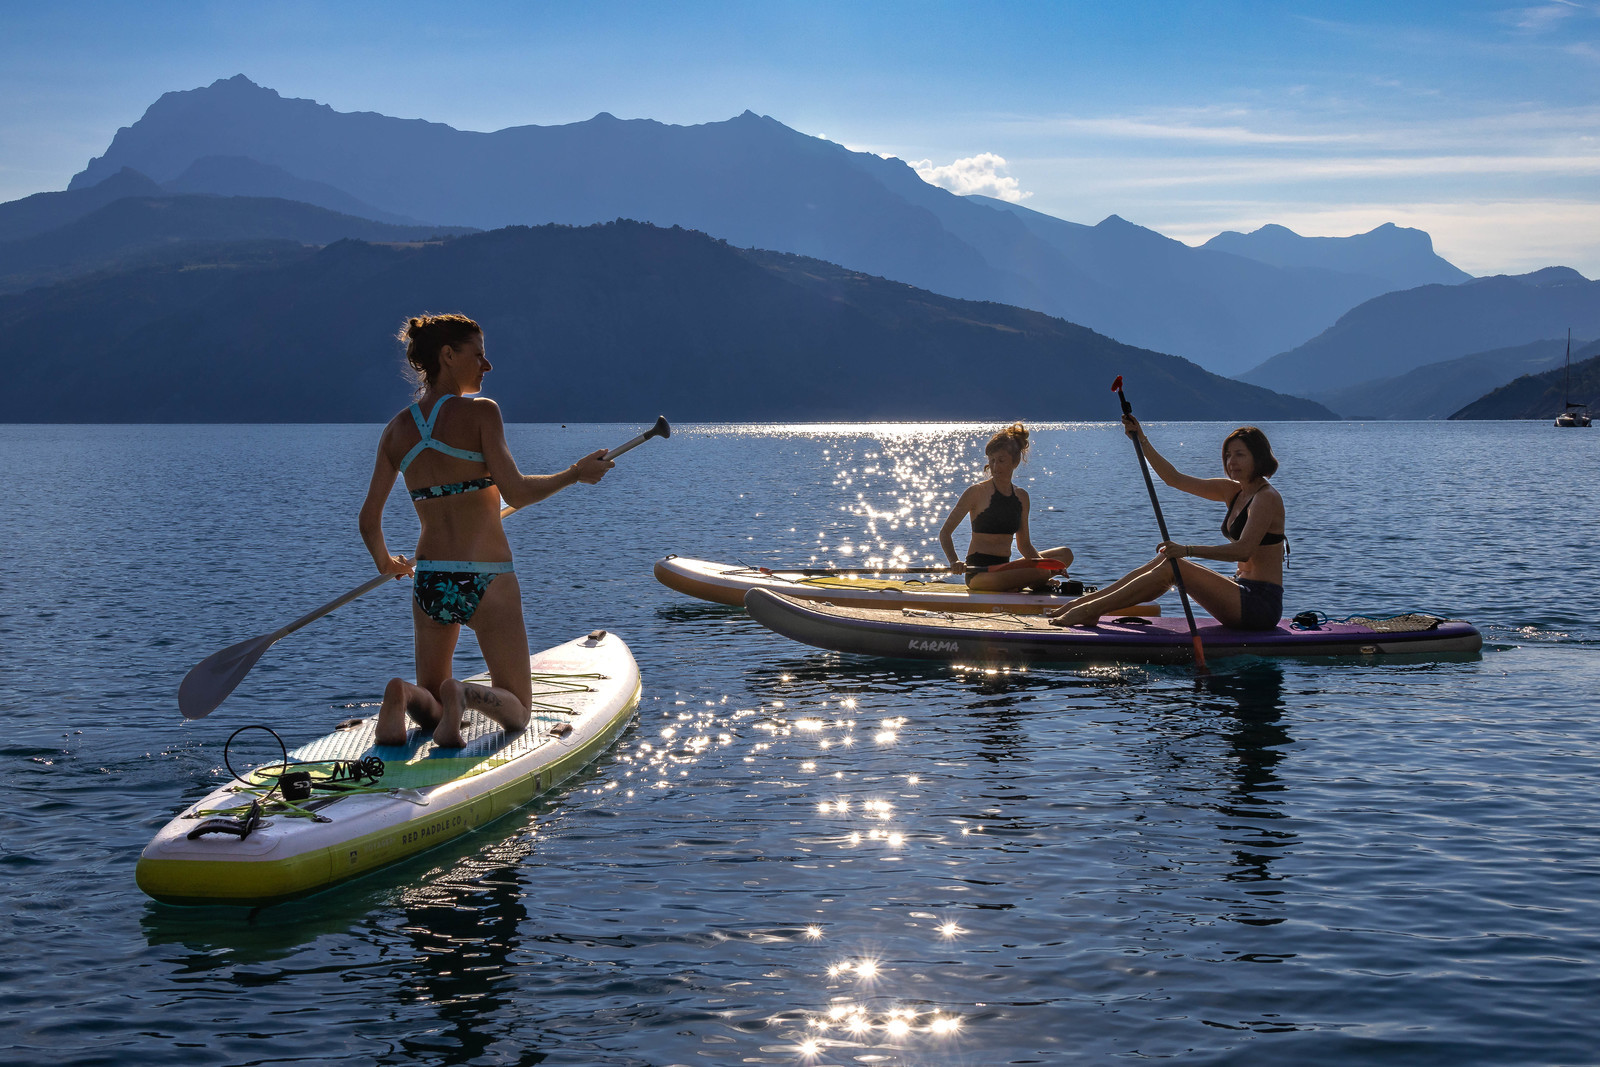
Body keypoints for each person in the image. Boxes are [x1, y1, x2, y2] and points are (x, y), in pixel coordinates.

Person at [358, 313, 614, 747]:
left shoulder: (396, 431)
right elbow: (515, 491)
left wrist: (387, 563)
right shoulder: (481, 412)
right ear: (448, 355)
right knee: (517, 711)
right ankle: (465, 694)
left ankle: (404, 694)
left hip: (432, 580)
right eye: (478, 354)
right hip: (487, 577)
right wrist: (575, 473)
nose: (487, 365)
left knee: (431, 708)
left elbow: (368, 520)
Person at [1050, 417, 1286, 629]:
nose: (1231, 461)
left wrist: (1187, 551)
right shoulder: (1233, 491)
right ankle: (1083, 603)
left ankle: (1092, 611)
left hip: (1259, 605)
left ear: (1258, 457)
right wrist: (1141, 439)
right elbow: (1173, 479)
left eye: (1240, 454)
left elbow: (1244, 550)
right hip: (1240, 591)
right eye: (1228, 455)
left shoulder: (1266, 497)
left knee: (1176, 566)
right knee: (1166, 558)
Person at [937, 423, 1073, 592]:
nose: (994, 467)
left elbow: (1025, 546)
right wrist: (954, 561)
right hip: (980, 574)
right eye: (992, 461)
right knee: (1039, 572)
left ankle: (1034, 578)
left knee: (1065, 555)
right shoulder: (976, 492)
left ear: (1015, 462)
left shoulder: (1022, 497)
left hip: (1005, 569)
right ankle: (1036, 580)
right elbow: (945, 533)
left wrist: (1044, 566)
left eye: (1001, 461)